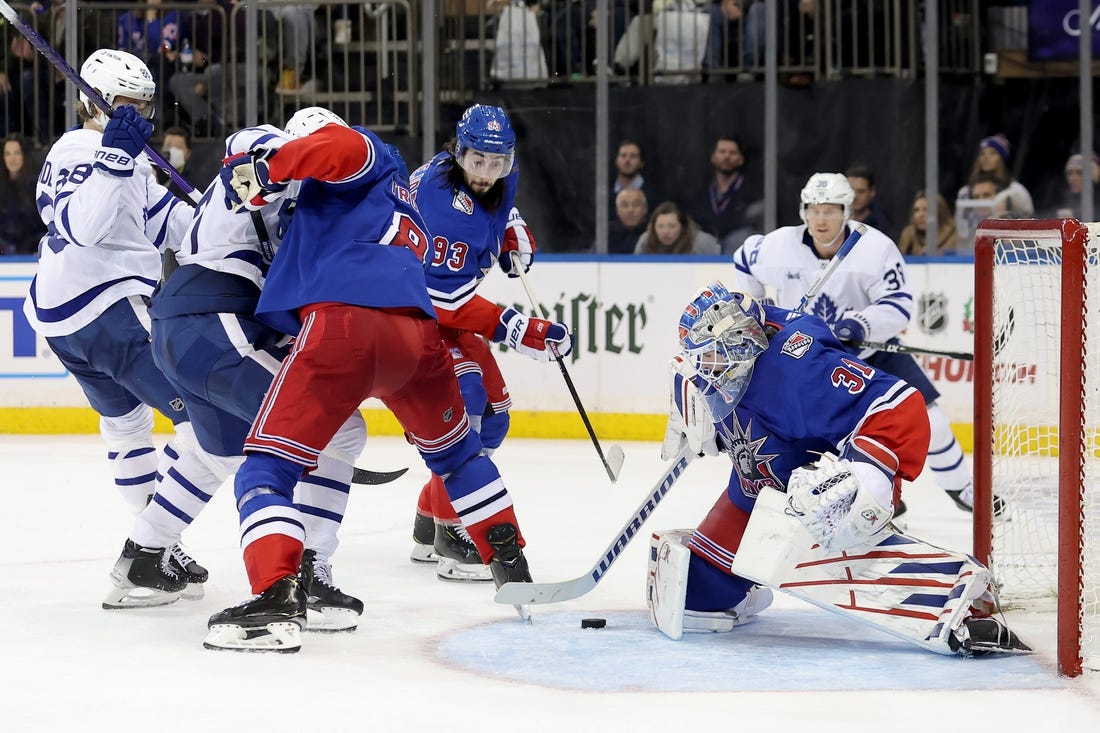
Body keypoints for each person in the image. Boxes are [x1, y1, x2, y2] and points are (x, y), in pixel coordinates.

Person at [202, 108, 564, 652]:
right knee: (461, 457)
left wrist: (273, 166)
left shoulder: (366, 156)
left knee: (266, 470)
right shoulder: (405, 197)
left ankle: (277, 593)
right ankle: (511, 567)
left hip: (343, 331)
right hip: (416, 339)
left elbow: (340, 148)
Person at [646, 282, 1030, 656]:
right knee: (694, 599)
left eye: (712, 355)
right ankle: (746, 580)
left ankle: (960, 602)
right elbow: (708, 377)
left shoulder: (797, 367)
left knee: (834, 515)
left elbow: (899, 403)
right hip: (755, 487)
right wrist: (703, 412)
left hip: (810, 493)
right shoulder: (733, 358)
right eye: (701, 356)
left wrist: (870, 471)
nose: (705, 367)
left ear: (741, 340)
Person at [112, 107, 366, 630]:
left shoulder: (312, 209)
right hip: (211, 319)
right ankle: (309, 573)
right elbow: (245, 155)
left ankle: (142, 557)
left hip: (192, 330)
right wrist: (274, 172)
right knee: (340, 428)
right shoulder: (273, 146)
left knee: (213, 453)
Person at [20, 48, 217, 605]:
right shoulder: (87, 149)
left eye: (144, 104)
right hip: (107, 307)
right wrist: (114, 159)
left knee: (128, 427)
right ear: (94, 100)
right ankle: (147, 552)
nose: (138, 113)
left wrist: (225, 219)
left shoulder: (111, 156)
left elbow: (166, 222)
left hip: (65, 318)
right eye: (125, 102)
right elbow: (83, 228)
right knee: (206, 420)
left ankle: (158, 552)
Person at [733, 173, 1002, 516]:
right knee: (818, 437)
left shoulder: (875, 247)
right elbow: (743, 259)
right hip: (808, 359)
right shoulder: (778, 245)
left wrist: (861, 323)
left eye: (830, 210)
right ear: (803, 211)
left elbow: (899, 303)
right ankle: (872, 497)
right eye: (814, 210)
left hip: (869, 351)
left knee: (931, 420)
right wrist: (761, 312)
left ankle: (960, 486)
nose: (821, 219)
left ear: (847, 210)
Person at [407, 104, 564, 583]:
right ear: (459, 152)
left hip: (442, 318)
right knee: (467, 409)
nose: (487, 173)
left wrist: (514, 233)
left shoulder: (483, 177)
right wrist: (520, 329)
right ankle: (453, 533)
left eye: (497, 162)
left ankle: (429, 516)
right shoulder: (444, 209)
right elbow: (445, 300)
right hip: (414, 317)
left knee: (496, 414)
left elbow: (504, 212)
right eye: (478, 161)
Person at [688, 134, 758, 254]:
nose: (727, 156)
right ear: (713, 157)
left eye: (732, 152)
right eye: (722, 152)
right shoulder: (701, 191)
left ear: (741, 159)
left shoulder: (752, 192)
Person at [955, 133, 1033, 217]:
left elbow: (1028, 217)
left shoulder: (1016, 190)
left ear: (1001, 158)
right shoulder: (965, 192)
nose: (986, 157)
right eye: (982, 153)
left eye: (992, 153)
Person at [0, 134, 45, 255]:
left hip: (31, 252)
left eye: (17, 153)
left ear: (24, 155)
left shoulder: (36, 187)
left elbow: (41, 225)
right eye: (8, 154)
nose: (12, 159)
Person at [635, 200, 719, 254]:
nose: (666, 232)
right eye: (660, 226)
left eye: (672, 226)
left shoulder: (702, 243)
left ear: (682, 226)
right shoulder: (645, 241)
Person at [897, 190, 956, 255]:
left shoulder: (954, 235)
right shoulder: (909, 233)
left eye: (926, 209)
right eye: (916, 210)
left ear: (939, 212)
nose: (920, 215)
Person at [611, 139, 660, 213]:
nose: (627, 160)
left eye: (633, 156)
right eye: (623, 155)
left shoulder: (653, 196)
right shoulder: (605, 193)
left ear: (641, 163)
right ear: (616, 161)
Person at [1046, 152, 1100, 219]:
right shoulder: (1060, 200)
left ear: (1094, 175)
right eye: (1069, 173)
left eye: (1079, 172)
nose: (1072, 179)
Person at [846, 164, 891, 237]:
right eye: (850, 190)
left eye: (861, 191)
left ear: (872, 191)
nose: (854, 196)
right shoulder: (834, 220)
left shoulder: (882, 226)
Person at [609, 187, 649, 254]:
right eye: (624, 205)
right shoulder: (607, 233)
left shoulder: (653, 233)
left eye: (636, 204)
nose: (630, 210)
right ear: (617, 211)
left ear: (645, 208)